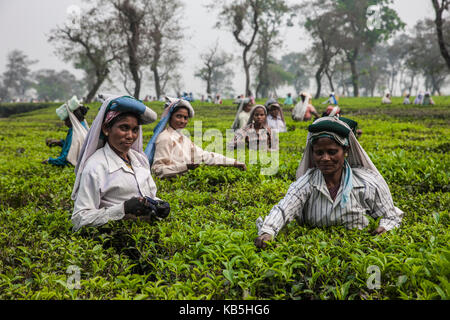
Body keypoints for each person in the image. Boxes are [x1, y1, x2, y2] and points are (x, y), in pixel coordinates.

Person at [254, 116, 403, 248]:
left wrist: (385, 228)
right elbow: (284, 208)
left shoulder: (368, 183)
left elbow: (390, 216)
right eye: (319, 153)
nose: (325, 158)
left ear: (345, 151)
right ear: (313, 154)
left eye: (332, 152)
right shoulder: (307, 183)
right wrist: (268, 231)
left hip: (358, 251)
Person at [71, 94, 169, 232]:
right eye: (124, 128)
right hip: (115, 242)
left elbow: (149, 195)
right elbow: (79, 219)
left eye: (135, 130)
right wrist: (123, 209)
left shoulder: (140, 160)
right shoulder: (95, 167)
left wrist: (158, 204)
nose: (130, 136)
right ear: (106, 129)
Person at [146, 97, 246, 179]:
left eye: (185, 118)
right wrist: (185, 167)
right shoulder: (165, 138)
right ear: (170, 117)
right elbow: (157, 170)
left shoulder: (184, 139)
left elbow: (205, 156)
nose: (182, 121)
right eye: (178, 116)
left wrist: (234, 163)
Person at [43, 96, 89, 167]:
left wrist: (49, 161)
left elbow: (66, 159)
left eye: (66, 120)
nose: (65, 123)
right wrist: (59, 142)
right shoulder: (81, 126)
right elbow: (72, 146)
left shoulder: (75, 133)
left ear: (72, 118)